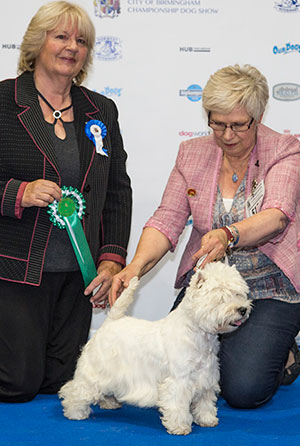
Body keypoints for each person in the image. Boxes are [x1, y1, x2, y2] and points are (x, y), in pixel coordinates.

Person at [110, 64, 300, 409]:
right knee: (171, 363)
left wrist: (229, 234)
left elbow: (277, 214)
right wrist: (133, 269)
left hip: (272, 286)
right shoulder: (192, 153)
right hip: (208, 290)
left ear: (257, 117)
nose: (227, 135)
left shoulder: (285, 149)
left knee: (242, 390)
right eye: (217, 123)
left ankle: (284, 350)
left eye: (238, 125)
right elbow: (166, 220)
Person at [0, 1, 132, 402]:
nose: (72, 47)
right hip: (15, 270)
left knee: (63, 383)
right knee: (18, 385)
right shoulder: (5, 102)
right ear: (37, 43)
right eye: (61, 36)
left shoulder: (101, 110)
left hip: (79, 275)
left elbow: (116, 191)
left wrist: (110, 259)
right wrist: (17, 193)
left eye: (82, 41)